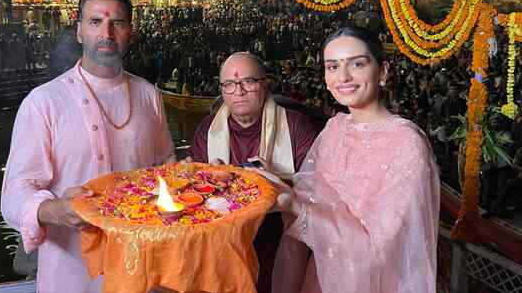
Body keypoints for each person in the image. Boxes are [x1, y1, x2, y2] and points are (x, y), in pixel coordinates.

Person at [0, 0, 175, 293]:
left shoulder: (149, 95)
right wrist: (57, 211)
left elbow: (164, 165)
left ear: (129, 33)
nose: (106, 32)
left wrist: (184, 177)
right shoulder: (44, 101)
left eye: (117, 22)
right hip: (70, 267)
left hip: (142, 260)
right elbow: (15, 194)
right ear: (79, 31)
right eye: (95, 22)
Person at [264, 25, 440, 293]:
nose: (343, 76)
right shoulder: (335, 129)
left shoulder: (406, 144)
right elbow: (312, 195)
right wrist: (273, 182)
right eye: (332, 67)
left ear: (383, 72)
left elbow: (383, 248)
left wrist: (298, 208)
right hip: (323, 273)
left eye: (357, 64)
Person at [189, 51, 319, 293]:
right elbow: (194, 194)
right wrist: (207, 181)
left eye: (248, 82)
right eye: (229, 84)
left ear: (265, 84)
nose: (238, 92)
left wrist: (277, 181)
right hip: (224, 239)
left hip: (279, 236)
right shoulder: (208, 130)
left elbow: (317, 194)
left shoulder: (295, 125)